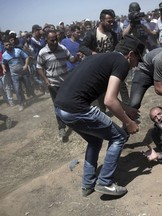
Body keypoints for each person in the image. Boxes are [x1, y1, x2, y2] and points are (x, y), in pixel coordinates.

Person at [54, 35, 145, 197]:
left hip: (61, 109)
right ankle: (105, 182)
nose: (137, 64)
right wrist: (128, 122)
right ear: (130, 54)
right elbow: (110, 101)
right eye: (138, 58)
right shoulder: (122, 62)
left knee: (95, 140)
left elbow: (105, 95)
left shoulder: (103, 57)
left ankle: (88, 184)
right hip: (77, 108)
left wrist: (127, 109)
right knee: (119, 137)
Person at [79, 9, 129, 109]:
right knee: (101, 90)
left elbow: (117, 47)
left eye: (112, 21)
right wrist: (93, 53)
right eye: (109, 21)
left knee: (122, 84)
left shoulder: (113, 34)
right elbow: (82, 47)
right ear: (101, 20)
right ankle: (103, 110)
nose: (111, 23)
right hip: (99, 67)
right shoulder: (92, 34)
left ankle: (128, 106)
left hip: (112, 65)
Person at [37, 30, 79, 142]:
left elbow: (71, 59)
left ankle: (73, 121)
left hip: (65, 82)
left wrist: (77, 57)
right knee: (58, 106)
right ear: (46, 39)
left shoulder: (62, 48)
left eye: (56, 39)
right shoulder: (42, 52)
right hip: (53, 83)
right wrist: (46, 79)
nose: (55, 41)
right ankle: (61, 128)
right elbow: (39, 67)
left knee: (69, 102)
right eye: (52, 39)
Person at [2, 38, 34, 111]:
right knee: (17, 89)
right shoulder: (4, 55)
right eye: (6, 45)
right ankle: (21, 104)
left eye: (9, 44)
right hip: (14, 75)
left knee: (28, 86)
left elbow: (26, 57)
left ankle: (31, 95)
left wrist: (26, 65)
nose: (8, 46)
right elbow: (3, 63)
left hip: (23, 72)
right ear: (4, 47)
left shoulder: (17, 50)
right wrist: (4, 69)